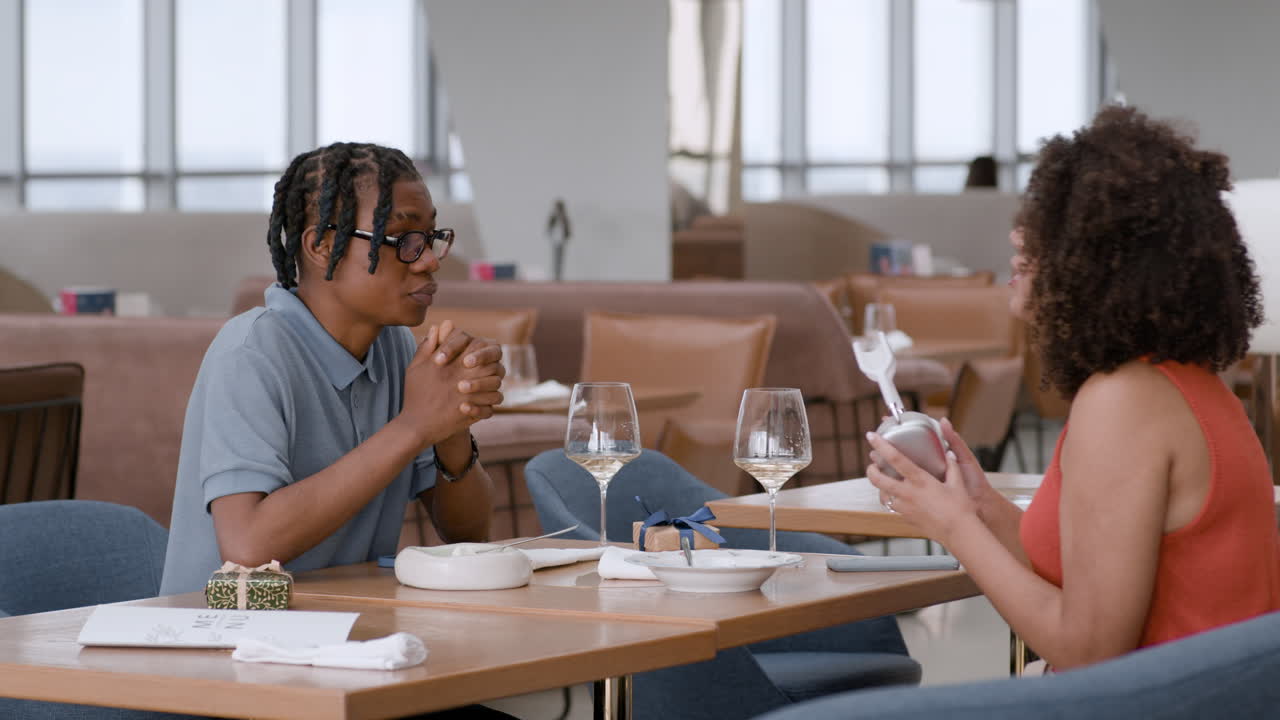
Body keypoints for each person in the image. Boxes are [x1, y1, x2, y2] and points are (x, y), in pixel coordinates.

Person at [867, 106, 1280, 671]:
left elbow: (1089, 651)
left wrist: (954, 529)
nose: (1019, 236)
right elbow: (1073, 567)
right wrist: (978, 503)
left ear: (1106, 259)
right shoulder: (1173, 384)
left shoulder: (1125, 403)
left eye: (1050, 224)